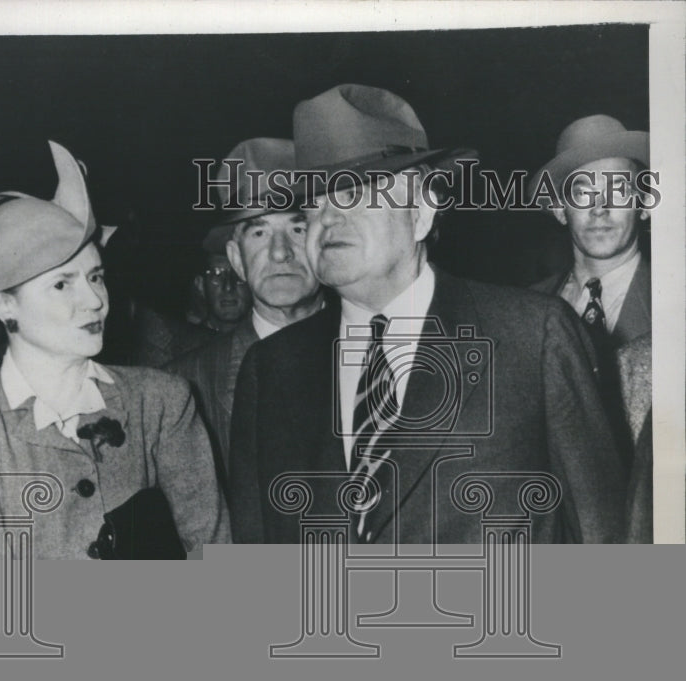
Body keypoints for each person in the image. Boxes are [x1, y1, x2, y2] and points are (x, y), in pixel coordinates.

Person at [229, 84, 627, 544]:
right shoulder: (271, 368)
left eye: (358, 194)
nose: (329, 219)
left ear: (421, 212)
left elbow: (603, 536)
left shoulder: (531, 336)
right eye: (315, 202)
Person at [0, 140, 229, 559]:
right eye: (62, 284)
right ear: (5, 305)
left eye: (95, 277)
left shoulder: (161, 402)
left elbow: (217, 562)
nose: (95, 300)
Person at [530, 115, 652, 541]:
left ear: (644, 202)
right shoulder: (522, 315)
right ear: (558, 209)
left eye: (618, 190)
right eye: (582, 192)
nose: (600, 208)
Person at [173, 138, 325, 480]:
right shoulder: (185, 386)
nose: (279, 253)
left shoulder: (378, 355)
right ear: (236, 260)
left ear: (323, 244)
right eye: (259, 232)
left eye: (297, 228)